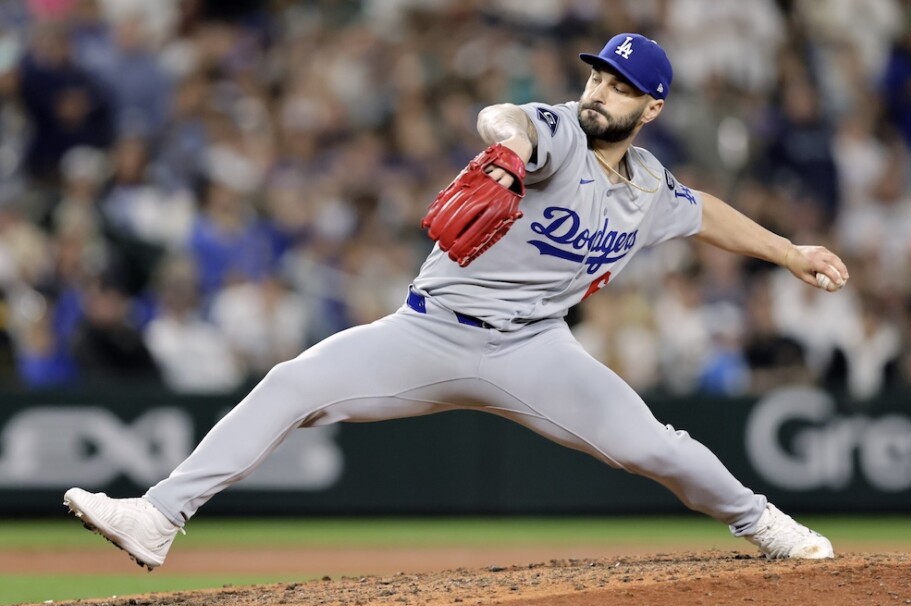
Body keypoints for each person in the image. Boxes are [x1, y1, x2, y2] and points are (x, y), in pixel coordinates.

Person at [64, 34, 849, 569]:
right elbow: (505, 118)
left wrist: (789, 252)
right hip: (428, 334)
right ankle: (158, 519)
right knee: (290, 384)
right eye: (599, 75)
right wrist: (506, 150)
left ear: (652, 110)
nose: (601, 91)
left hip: (535, 349)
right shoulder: (553, 130)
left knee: (657, 448)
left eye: (624, 88)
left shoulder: (647, 187)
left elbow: (704, 210)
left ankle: (760, 523)